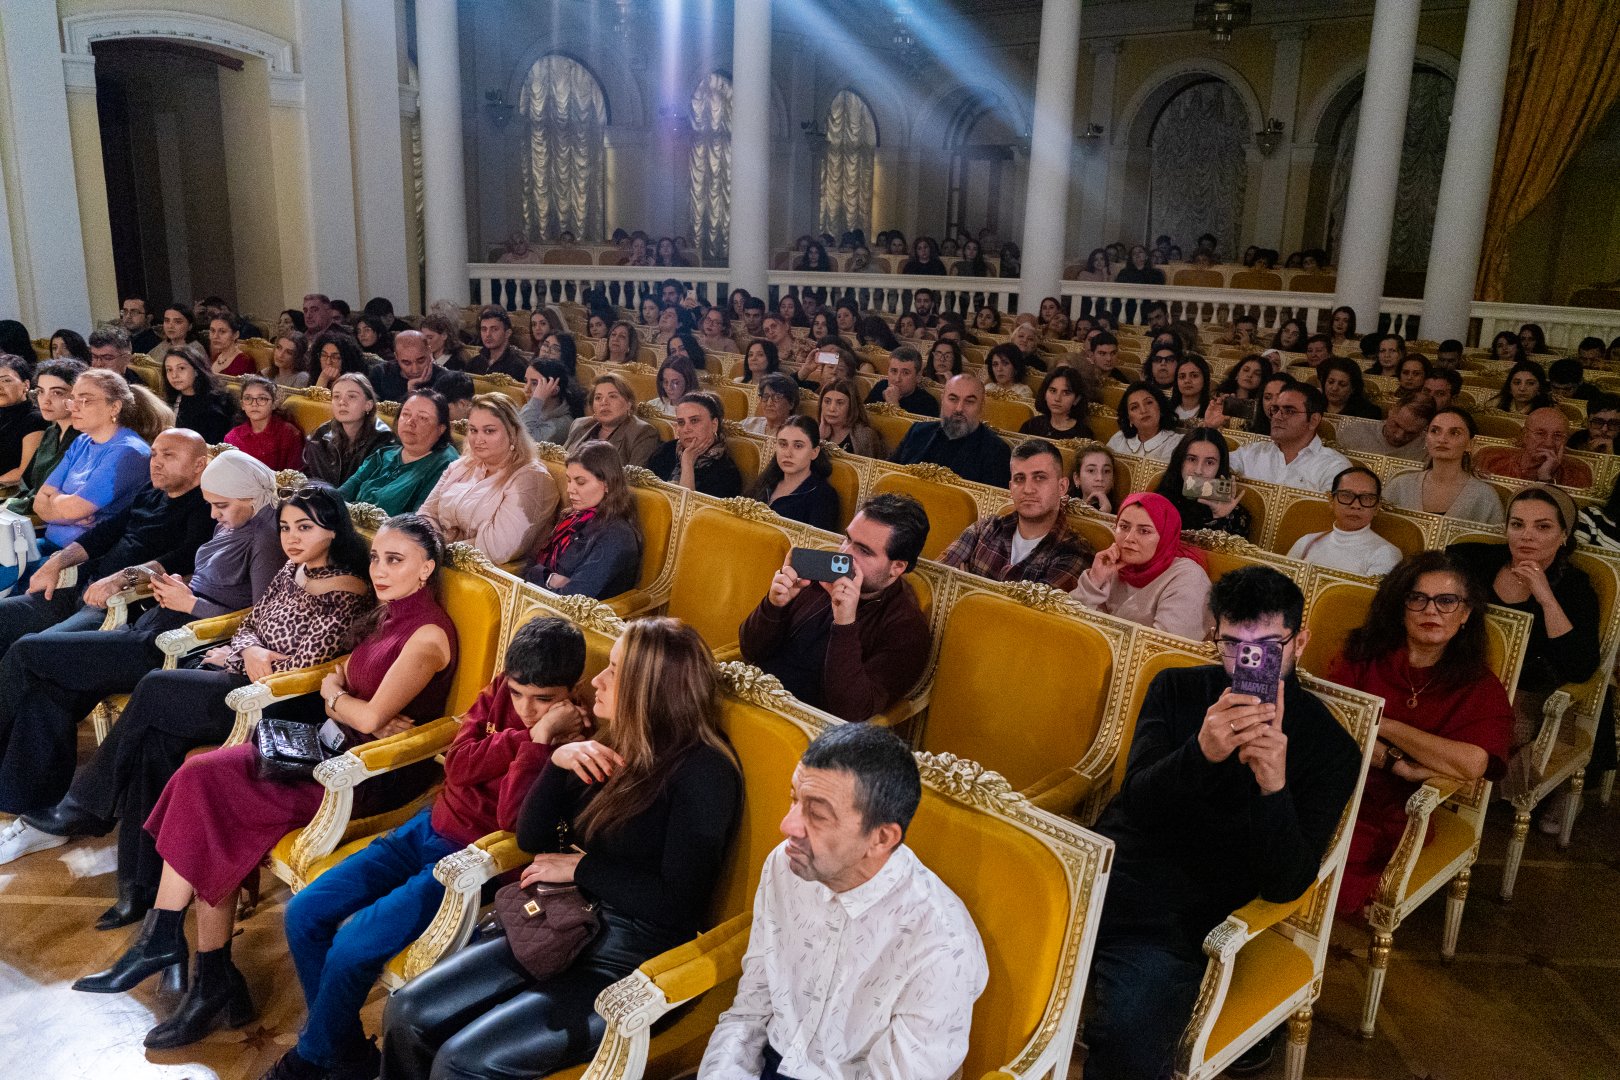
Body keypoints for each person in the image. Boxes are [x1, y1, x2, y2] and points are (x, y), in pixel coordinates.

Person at [79, 515, 455, 1051]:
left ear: (427, 569)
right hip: (326, 748)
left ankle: (186, 958)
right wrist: (341, 697)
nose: (379, 569)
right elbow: (348, 687)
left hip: (364, 775)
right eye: (376, 557)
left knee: (212, 798)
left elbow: (371, 718)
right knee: (197, 777)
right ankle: (195, 961)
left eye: (395, 560)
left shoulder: (428, 634)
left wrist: (338, 698)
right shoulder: (386, 613)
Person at [382, 617, 744, 1079]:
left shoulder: (705, 771)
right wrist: (555, 763)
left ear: (649, 687)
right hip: (560, 922)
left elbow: (679, 903)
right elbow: (532, 838)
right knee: (406, 1012)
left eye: (614, 669)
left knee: (462, 1062)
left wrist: (580, 869)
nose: (598, 680)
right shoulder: (616, 742)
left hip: (626, 959)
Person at [269, 617, 591, 1080]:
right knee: (303, 912)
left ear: (570, 691)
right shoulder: (503, 690)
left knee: (352, 947)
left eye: (543, 700)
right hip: (427, 825)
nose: (526, 708)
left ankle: (310, 1060)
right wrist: (523, 740)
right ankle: (341, 1052)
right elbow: (457, 765)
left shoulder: (573, 736)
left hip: (467, 860)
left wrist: (538, 743)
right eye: (518, 693)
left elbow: (512, 819)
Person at [1081, 566, 1362, 1080]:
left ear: (1299, 641)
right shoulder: (1176, 688)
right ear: (1215, 636)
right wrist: (1200, 753)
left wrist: (1273, 788)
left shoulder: (1330, 747)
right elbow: (1136, 802)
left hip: (1178, 920)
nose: (1246, 662)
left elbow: (1287, 883)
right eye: (1233, 645)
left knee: (1128, 1045)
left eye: (1267, 647)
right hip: (1100, 877)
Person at [0, 450, 285, 867]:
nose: (214, 514)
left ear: (249, 496)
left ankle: (55, 809)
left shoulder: (266, 535)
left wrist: (191, 604)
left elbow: (260, 615)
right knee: (52, 687)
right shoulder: (234, 523)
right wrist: (177, 585)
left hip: (173, 644)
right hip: (153, 625)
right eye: (211, 504)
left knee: (29, 651)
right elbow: (211, 579)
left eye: (221, 505)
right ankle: (34, 809)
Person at [700, 722, 986, 1080]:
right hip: (769, 1060)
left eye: (817, 814)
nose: (788, 826)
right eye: (794, 799)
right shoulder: (785, 865)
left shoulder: (942, 943)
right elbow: (751, 1006)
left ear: (881, 838)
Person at [1328, 552, 1514, 915]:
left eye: (1447, 601)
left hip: (1401, 809)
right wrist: (1398, 763)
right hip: (1341, 780)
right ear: (1401, 608)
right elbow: (1335, 721)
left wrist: (1385, 725)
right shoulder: (1365, 655)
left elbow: (1472, 763)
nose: (1432, 611)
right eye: (1418, 599)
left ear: (1465, 613)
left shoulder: (1478, 684)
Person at [1448, 488, 1600, 817]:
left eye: (1542, 527)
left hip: (1527, 693)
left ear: (1564, 535)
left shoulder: (1575, 588)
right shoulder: (1472, 560)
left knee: (1482, 726)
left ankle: (1452, 795)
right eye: (1517, 524)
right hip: (1463, 674)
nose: (1526, 535)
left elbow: (1580, 667)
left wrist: (1545, 597)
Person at [0, 429, 212, 659]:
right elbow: (105, 533)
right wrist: (56, 563)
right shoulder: (151, 491)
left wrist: (119, 579)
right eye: (154, 454)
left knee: (28, 651)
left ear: (199, 464)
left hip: (121, 602)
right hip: (85, 584)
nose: (156, 463)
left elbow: (183, 559)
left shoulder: (206, 507)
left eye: (168, 455)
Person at [739, 493, 931, 722]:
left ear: (897, 567)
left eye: (864, 551)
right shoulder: (820, 574)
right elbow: (750, 649)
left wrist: (845, 624)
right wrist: (773, 606)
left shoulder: (906, 629)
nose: (844, 554)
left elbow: (851, 712)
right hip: (755, 698)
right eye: (847, 539)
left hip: (806, 725)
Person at [420, 394, 557, 565]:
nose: (478, 440)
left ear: (513, 433)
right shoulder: (460, 466)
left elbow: (497, 549)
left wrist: (434, 551)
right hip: (435, 559)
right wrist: (426, 547)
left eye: (489, 431)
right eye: (473, 430)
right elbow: (425, 514)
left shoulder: (531, 479)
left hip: (478, 572)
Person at [941, 440, 1092, 590]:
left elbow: (1026, 609)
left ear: (1062, 487)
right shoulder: (985, 528)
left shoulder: (1074, 553)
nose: (1027, 489)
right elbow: (938, 579)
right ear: (1010, 488)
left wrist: (966, 585)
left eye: (1039, 478)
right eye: (1019, 479)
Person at [32, 369, 153, 554]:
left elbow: (73, 509)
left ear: (114, 407)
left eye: (85, 400)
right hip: (49, 542)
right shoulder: (82, 441)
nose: (73, 407)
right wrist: (67, 510)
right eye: (73, 399)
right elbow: (39, 503)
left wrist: (55, 498)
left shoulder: (129, 452)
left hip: (82, 555)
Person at [1070, 492, 1211, 639]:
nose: (1129, 538)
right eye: (1124, 527)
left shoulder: (1189, 578)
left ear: (1165, 535)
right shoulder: (1114, 565)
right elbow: (1068, 624)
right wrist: (1095, 580)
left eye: (1144, 531)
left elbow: (1163, 647)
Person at [525, 441, 644, 599]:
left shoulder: (617, 535)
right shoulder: (571, 517)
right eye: (569, 480)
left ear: (608, 484)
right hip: (540, 601)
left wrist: (540, 576)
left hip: (572, 613)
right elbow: (529, 567)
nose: (570, 489)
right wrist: (551, 579)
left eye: (580, 482)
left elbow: (574, 598)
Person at [339, 389, 459, 516]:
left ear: (441, 428)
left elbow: (420, 519)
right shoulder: (384, 454)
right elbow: (343, 492)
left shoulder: (447, 465)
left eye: (422, 418)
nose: (410, 422)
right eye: (405, 414)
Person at [1383, 408, 1505, 524]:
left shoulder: (1485, 496)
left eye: (1454, 433)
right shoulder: (1400, 485)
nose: (1442, 439)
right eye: (1435, 431)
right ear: (1426, 439)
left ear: (1470, 444)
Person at [891, 373, 1013, 488]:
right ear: (942, 400)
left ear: (982, 406)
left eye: (969, 401)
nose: (959, 408)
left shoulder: (996, 451)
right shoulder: (918, 431)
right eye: (953, 399)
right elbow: (890, 473)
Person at [1230, 384, 1352, 492]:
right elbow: (1219, 468)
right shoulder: (1251, 452)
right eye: (1275, 409)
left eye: (1289, 411)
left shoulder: (1334, 466)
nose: (1277, 417)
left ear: (1313, 420)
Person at [1285, 466, 1402, 576]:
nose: (1356, 505)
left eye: (1366, 498)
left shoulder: (1386, 554)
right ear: (1331, 500)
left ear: (1376, 507)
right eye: (1346, 496)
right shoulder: (1307, 542)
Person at [4, 358, 83, 515]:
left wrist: (9, 508)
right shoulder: (51, 433)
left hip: (53, 518)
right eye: (41, 391)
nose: (45, 401)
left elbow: (59, 495)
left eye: (57, 392)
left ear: (77, 395)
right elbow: (27, 483)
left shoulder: (84, 438)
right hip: (27, 510)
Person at [302, 372, 398, 486]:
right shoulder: (318, 437)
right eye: (336, 396)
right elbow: (309, 481)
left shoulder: (384, 440)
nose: (342, 402)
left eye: (351, 396)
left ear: (368, 405)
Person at [748, 416, 840, 532]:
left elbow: (815, 542)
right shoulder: (767, 481)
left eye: (798, 446)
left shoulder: (823, 496)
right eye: (783, 444)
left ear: (814, 452)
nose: (788, 453)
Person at [1154, 428, 1251, 537]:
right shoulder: (1159, 501)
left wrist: (1219, 518)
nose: (1198, 470)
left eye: (1209, 462)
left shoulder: (1236, 516)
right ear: (1180, 461)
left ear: (1220, 467)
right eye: (1192, 459)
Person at [648, 392, 744, 498]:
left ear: (714, 425)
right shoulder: (665, 451)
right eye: (681, 422)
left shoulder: (727, 473)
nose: (686, 429)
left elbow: (687, 506)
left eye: (694, 421)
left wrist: (687, 463)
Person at [1472, 407, 1593, 488]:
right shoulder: (1490, 460)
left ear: (1565, 441)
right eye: (1540, 433)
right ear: (1524, 435)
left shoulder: (1576, 477)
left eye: (1558, 436)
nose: (1549, 443)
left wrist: (1546, 477)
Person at [563, 372, 660, 467]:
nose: (604, 402)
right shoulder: (579, 424)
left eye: (612, 396)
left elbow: (633, 477)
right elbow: (560, 461)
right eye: (598, 398)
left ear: (629, 404)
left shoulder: (642, 433)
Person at [223, 375, 306, 471]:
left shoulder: (289, 433)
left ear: (274, 404)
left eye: (262, 399)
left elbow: (296, 473)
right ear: (242, 405)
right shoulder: (232, 437)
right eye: (248, 398)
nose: (254, 404)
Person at [161, 343, 238, 444]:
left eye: (181, 368)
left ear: (196, 370)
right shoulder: (171, 400)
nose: (174, 375)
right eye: (169, 370)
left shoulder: (214, 408)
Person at [1334, 393, 1436, 463]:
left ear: (1424, 429)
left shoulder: (1428, 451)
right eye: (1397, 425)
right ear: (1391, 410)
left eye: (1410, 433)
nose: (1399, 436)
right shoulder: (1353, 432)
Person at [0, 353, 46, 486]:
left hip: (12, 492)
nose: (0, 386)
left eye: (6, 380)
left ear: (26, 385)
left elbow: (24, 471)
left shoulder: (35, 419)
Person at [452, 306, 530, 381]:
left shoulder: (518, 366)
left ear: (507, 333)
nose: (488, 334)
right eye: (484, 329)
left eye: (494, 329)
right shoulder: (474, 362)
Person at [371, 330, 451, 403]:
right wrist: (410, 391)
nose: (415, 370)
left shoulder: (446, 380)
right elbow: (373, 411)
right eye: (407, 363)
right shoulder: (380, 373)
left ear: (429, 351)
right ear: (396, 357)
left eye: (421, 361)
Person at [1106, 382, 1178, 462]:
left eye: (1149, 403)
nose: (1143, 411)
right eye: (1134, 407)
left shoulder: (1176, 442)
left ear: (1160, 407)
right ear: (1129, 418)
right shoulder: (1119, 439)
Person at [818, 377, 886, 458]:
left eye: (840, 403)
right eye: (827, 402)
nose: (832, 409)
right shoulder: (815, 431)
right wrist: (820, 438)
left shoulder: (864, 436)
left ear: (851, 407)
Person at [865, 346, 939, 416]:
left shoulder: (928, 403)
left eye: (905, 373)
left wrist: (893, 404)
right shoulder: (881, 386)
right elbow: (863, 417)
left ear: (918, 377)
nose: (897, 379)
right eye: (894, 371)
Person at [740, 372, 800, 440]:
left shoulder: (796, 436)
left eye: (777, 397)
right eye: (765, 396)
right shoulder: (747, 425)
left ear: (791, 403)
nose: (769, 403)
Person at [1318, 357, 1383, 420]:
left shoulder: (1368, 413)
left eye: (1342, 384)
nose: (1334, 388)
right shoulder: (1315, 404)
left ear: (1353, 388)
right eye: (1330, 382)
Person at [1071, 445, 1116, 514]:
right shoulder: (1064, 508)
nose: (1100, 478)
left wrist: (1106, 513)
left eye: (1106, 471)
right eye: (1091, 470)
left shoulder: (1124, 514)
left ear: (1113, 479)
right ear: (1077, 478)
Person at [1172, 355, 1212, 423]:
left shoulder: (1212, 412)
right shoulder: (1165, 409)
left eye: (1194, 376)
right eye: (1182, 377)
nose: (1187, 381)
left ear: (1205, 379)